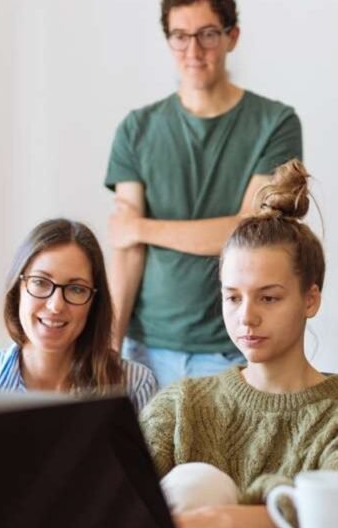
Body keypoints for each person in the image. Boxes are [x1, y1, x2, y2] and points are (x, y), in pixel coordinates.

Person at [139, 160, 338, 528]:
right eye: (233, 297)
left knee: (200, 484)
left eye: (269, 297)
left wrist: (222, 520)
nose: (246, 317)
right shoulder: (179, 406)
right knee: (196, 483)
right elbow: (116, 504)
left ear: (310, 299)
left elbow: (334, 518)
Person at [105, 0, 302, 387]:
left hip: (233, 346)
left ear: (232, 37)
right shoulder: (136, 128)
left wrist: (140, 227)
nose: (193, 51)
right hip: (143, 349)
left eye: (207, 35)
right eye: (180, 37)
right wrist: (109, 349)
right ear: (168, 41)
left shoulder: (275, 123)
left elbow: (249, 233)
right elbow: (126, 249)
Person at [0, 219, 157, 411]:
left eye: (76, 288)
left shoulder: (134, 385)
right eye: (40, 282)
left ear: (94, 302)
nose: (56, 305)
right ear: (18, 288)